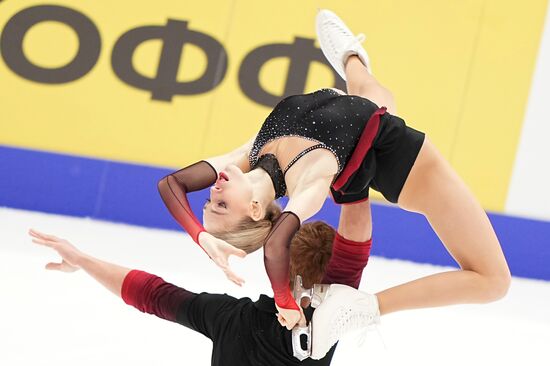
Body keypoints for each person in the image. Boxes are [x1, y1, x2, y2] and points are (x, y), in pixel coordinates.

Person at [157, 9, 511, 331]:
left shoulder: (247, 155)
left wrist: (201, 236)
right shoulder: (306, 184)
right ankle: (368, 306)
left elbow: (171, 183)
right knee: (494, 281)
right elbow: (275, 246)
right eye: (219, 205)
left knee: (369, 95)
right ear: (253, 209)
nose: (212, 191)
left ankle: (351, 57)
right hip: (405, 165)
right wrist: (284, 302)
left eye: (207, 200)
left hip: (357, 114)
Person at [29, 199, 375, 365]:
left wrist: (83, 260)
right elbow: (353, 248)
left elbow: (150, 293)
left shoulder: (229, 319)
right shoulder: (330, 321)